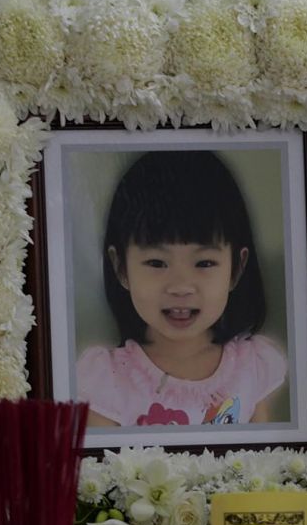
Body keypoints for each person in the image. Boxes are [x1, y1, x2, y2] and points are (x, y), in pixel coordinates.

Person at [77, 151, 286, 428]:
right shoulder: (106, 379)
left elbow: (265, 464)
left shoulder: (252, 368)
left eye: (204, 262)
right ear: (121, 268)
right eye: (156, 262)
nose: (180, 287)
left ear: (236, 268)